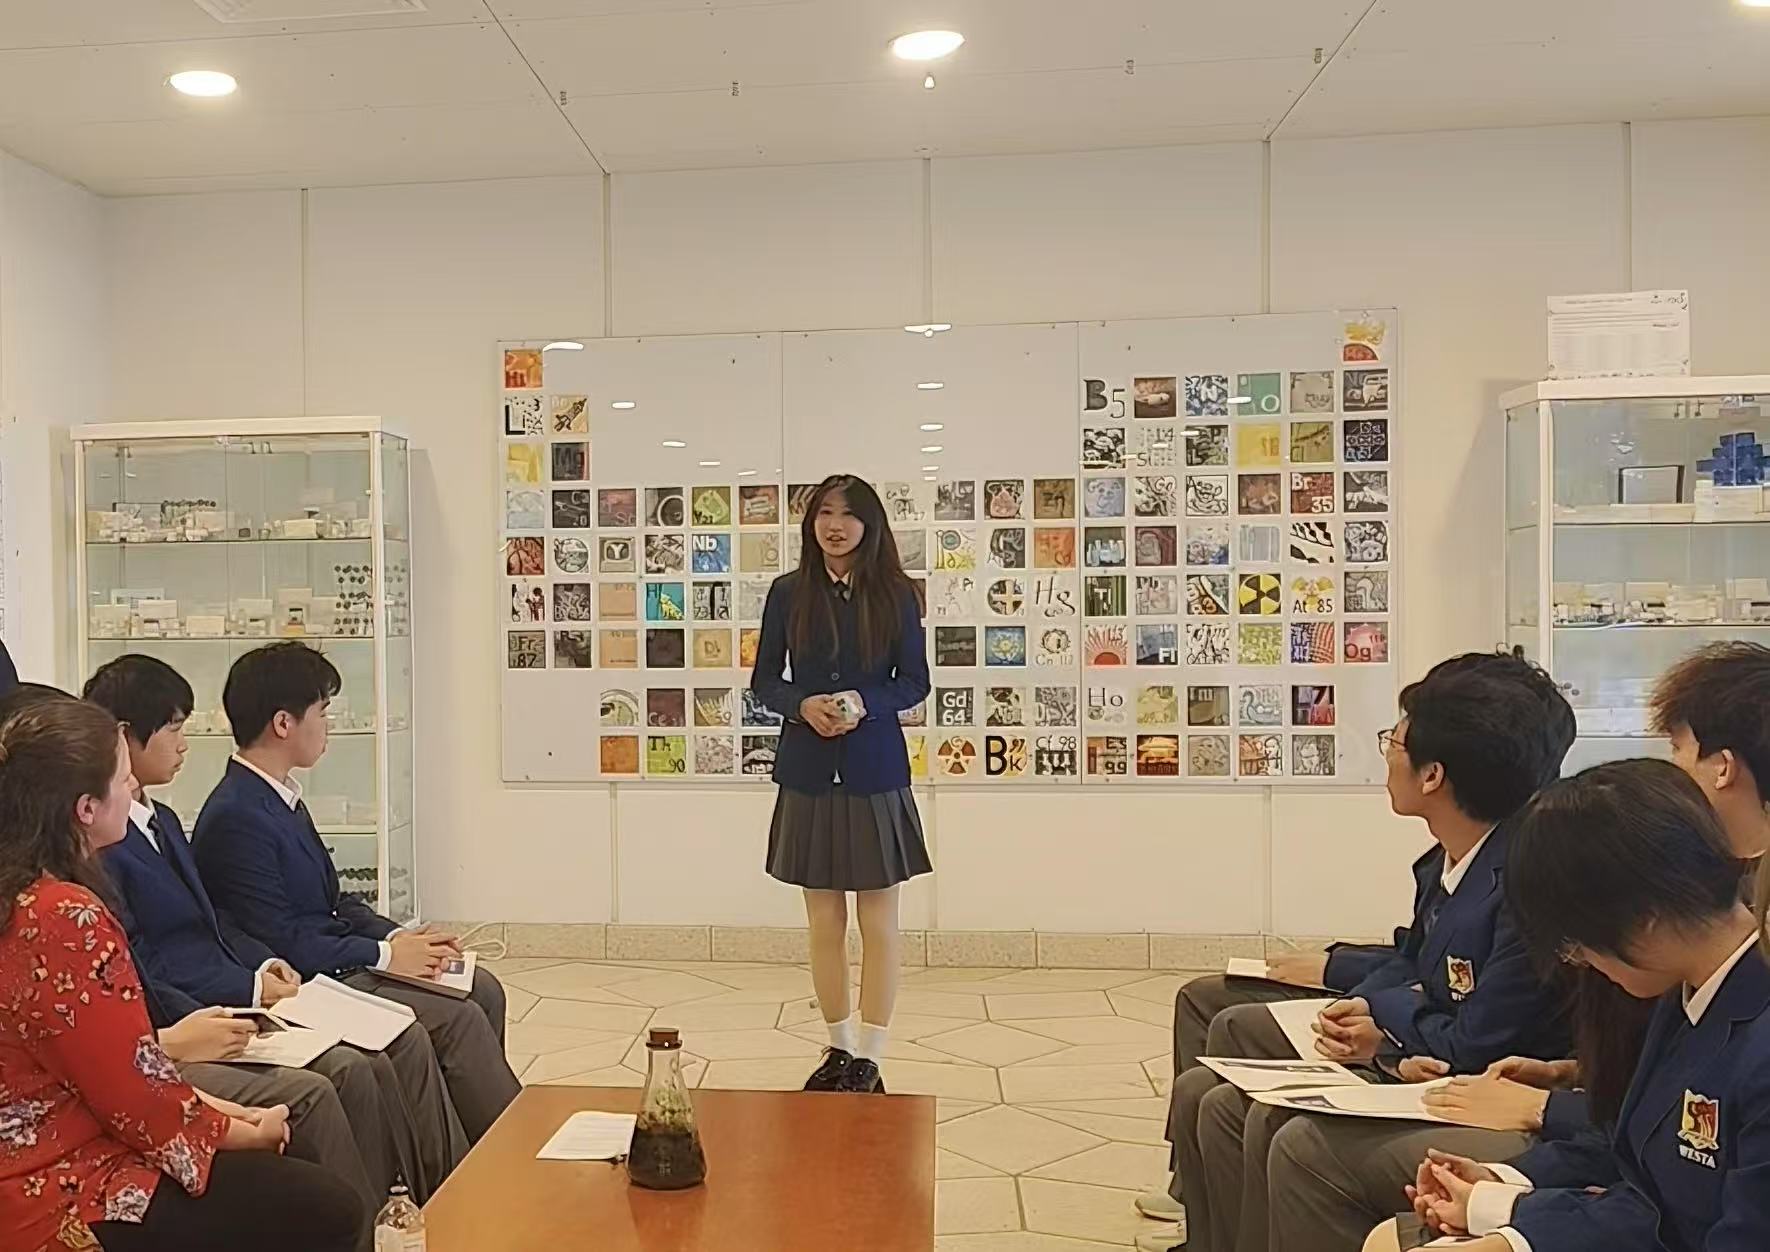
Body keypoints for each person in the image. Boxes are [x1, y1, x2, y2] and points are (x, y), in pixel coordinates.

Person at [1145, 656, 1574, 1252]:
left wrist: (1387, 1034)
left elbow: (1475, 1040)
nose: (1388, 755)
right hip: (1426, 1050)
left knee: (1274, 1115)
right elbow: (1417, 962)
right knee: (1209, 1084)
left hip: (1470, 1084)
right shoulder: (1449, 858)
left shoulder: (1527, 883)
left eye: (1394, 741)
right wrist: (1371, 1005)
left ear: (1433, 775)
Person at [82, 655, 468, 1204]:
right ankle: (377, 1217)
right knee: (352, 1067)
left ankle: (430, 1200)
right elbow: (148, 966)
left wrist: (263, 968)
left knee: (396, 1042)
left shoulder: (162, 820)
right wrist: (248, 993)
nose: (185, 744)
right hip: (203, 1013)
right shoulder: (112, 851)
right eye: (174, 728)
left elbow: (215, 919)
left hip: (247, 987)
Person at [0, 686, 362, 1252]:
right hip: (59, 1183)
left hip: (61, 1137)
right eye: (123, 779)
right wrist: (238, 1130)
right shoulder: (63, 916)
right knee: (325, 1202)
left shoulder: (28, 893)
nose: (132, 790)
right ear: (85, 808)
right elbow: (129, 1091)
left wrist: (226, 1116)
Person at [1387, 759, 1770, 1252]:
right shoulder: (1686, 993)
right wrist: (1497, 1202)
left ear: (1644, 919)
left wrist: (1514, 1237)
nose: (1582, 962)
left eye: (1576, 943)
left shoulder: (1751, 1037)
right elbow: (1639, 1175)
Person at [192, 641, 519, 1141]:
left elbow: (332, 899)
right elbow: (282, 940)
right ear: (283, 723)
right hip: (311, 978)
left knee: (482, 988)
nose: (329, 726)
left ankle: (481, 1138)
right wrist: (385, 956)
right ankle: (500, 1151)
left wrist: (400, 939)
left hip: (338, 955)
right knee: (456, 1020)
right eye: (322, 712)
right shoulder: (237, 814)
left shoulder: (280, 798)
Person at [752, 473, 932, 1095]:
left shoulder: (896, 594)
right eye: (825, 513)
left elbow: (914, 682)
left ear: (869, 524)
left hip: (874, 769)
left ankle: (871, 1056)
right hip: (807, 770)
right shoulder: (787, 592)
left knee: (878, 922)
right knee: (823, 922)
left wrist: (862, 701)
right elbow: (765, 682)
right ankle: (839, 1047)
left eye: (848, 515)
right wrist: (801, 705)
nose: (835, 525)